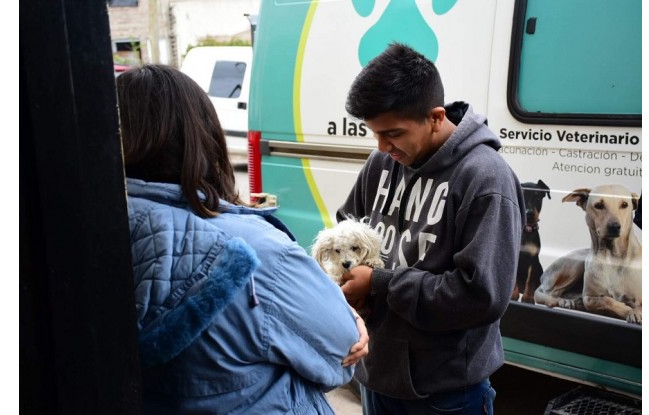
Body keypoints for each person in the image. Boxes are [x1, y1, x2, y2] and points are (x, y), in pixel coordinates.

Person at [116, 64, 368, 414]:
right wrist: (349, 319)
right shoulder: (257, 250)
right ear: (202, 137)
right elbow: (341, 350)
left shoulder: (88, 233)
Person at [337, 43, 525, 414]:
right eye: (374, 133)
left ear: (436, 117)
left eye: (392, 133)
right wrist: (345, 279)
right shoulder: (381, 163)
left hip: (446, 395)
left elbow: (480, 295)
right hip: (377, 377)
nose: (381, 146)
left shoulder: (486, 178)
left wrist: (377, 283)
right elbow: (347, 229)